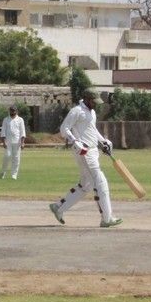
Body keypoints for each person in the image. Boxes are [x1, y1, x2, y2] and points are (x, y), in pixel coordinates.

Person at [49, 90, 122, 228]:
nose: (96, 104)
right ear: (87, 99)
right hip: (84, 151)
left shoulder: (92, 112)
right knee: (100, 181)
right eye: (94, 101)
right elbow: (64, 129)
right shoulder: (77, 111)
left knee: (86, 185)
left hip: (93, 151)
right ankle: (107, 218)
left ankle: (58, 207)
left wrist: (103, 141)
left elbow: (92, 130)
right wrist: (75, 142)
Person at [0, 105, 26, 180]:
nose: (12, 112)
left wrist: (22, 142)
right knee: (7, 156)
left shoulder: (20, 120)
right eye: (11, 110)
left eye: (14, 110)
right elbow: (3, 131)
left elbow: (22, 131)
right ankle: (3, 172)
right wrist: (4, 142)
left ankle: (14, 174)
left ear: (16, 111)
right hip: (8, 141)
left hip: (17, 142)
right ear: (9, 111)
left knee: (16, 158)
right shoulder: (6, 119)